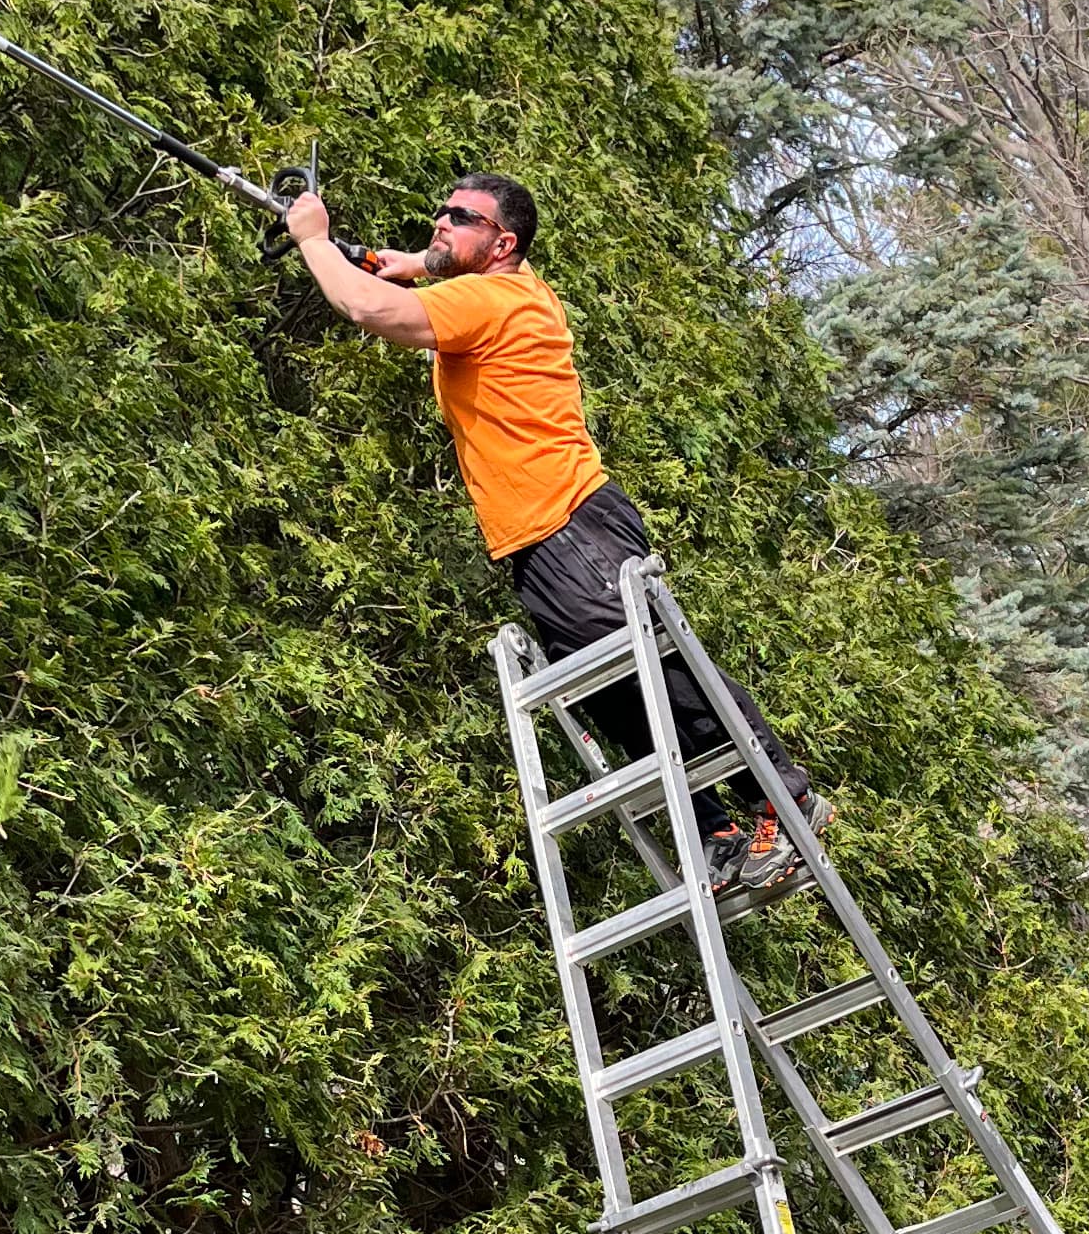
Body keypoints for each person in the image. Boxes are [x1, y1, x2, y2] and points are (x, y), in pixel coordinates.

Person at [286, 171, 822, 900]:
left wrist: (315, 242)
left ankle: (781, 801)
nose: (440, 224)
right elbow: (421, 274)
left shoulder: (491, 298)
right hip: (540, 542)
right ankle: (717, 834)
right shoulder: (506, 285)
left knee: (658, 678)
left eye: (461, 218)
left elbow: (369, 309)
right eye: (440, 213)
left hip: (570, 527)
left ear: (502, 243)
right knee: (615, 701)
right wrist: (406, 260)